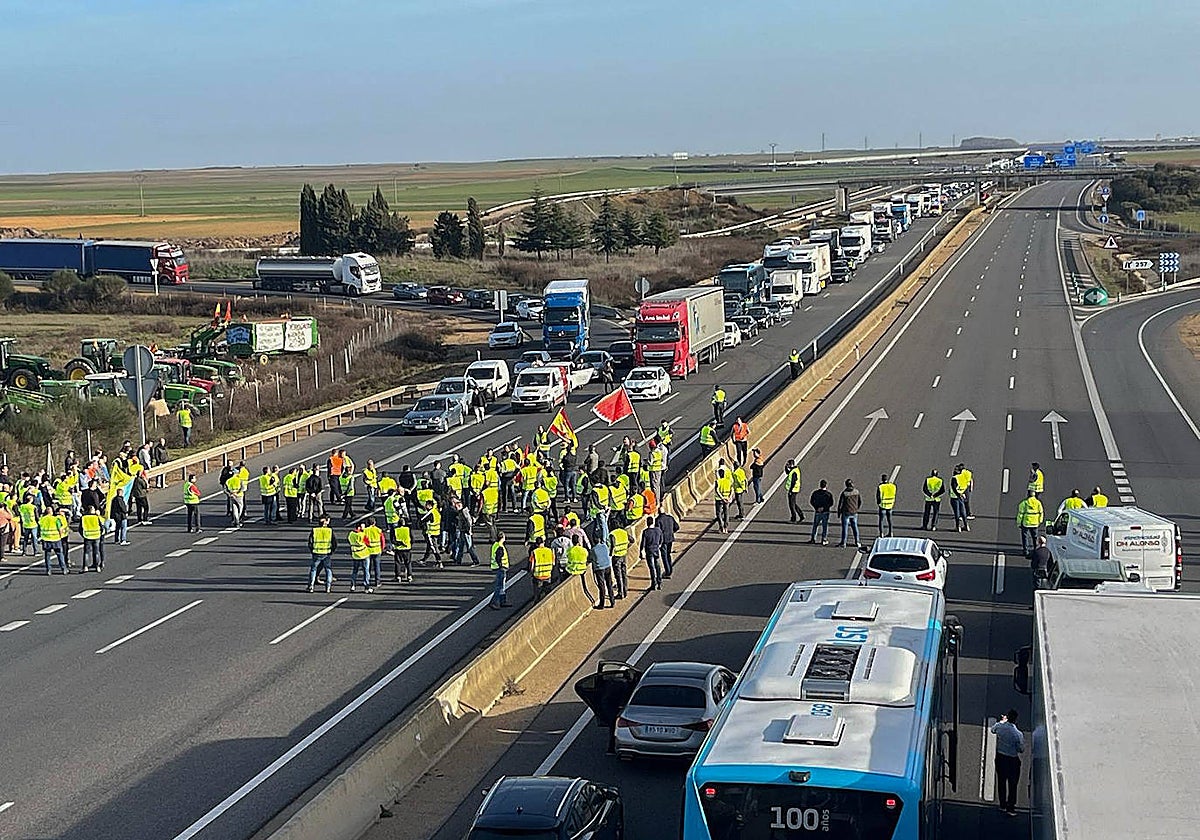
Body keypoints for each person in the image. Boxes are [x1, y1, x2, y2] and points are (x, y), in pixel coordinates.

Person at [991, 710, 1025, 815]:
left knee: (1001, 781)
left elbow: (993, 730)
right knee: (1012, 784)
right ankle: (1010, 807)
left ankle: (1002, 804)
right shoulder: (1017, 734)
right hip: (1012, 760)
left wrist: (1002, 722)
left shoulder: (1000, 727)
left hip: (1001, 758)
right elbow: (1021, 749)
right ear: (1015, 719)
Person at [307, 515, 337, 593]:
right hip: (326, 553)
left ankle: (311, 586)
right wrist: (331, 551)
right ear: (325, 522)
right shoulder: (329, 531)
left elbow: (310, 542)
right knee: (328, 569)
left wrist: (312, 550)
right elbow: (334, 543)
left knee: (313, 569)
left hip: (316, 552)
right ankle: (328, 587)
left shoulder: (315, 530)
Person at [1017, 489, 1044, 557]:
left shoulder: (1024, 503)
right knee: (1035, 537)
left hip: (1026, 523)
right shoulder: (1038, 503)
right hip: (1035, 523)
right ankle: (1035, 549)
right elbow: (1041, 512)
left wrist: (1019, 523)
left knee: (1025, 537)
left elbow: (1020, 514)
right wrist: (1040, 521)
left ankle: (1026, 551)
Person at [591, 535, 615, 609]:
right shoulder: (604, 546)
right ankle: (612, 601)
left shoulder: (593, 550)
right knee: (609, 584)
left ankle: (602, 604)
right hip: (607, 566)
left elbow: (590, 558)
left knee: (602, 587)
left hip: (599, 569)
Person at [640, 515, 664, 590]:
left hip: (649, 551)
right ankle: (659, 582)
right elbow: (661, 540)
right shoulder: (658, 530)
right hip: (656, 550)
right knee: (658, 566)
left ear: (647, 523)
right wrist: (658, 545)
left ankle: (653, 583)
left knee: (652, 568)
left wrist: (641, 551)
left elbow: (643, 543)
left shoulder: (646, 532)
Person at [837, 479, 862, 549]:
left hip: (846, 512)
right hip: (854, 512)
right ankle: (857, 541)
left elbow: (840, 504)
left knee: (845, 528)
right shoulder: (856, 492)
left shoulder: (845, 493)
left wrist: (839, 512)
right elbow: (860, 501)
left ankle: (843, 542)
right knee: (855, 527)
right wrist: (856, 508)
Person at [80, 506, 106, 571]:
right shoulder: (96, 517)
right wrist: (100, 534)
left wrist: (83, 535)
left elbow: (80, 528)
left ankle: (85, 567)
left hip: (87, 536)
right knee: (96, 552)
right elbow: (101, 527)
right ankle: (97, 567)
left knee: (86, 552)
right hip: (96, 536)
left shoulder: (84, 518)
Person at [529, 536, 555, 603]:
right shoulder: (549, 551)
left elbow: (532, 565)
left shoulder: (534, 552)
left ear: (536, 544)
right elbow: (553, 563)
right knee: (548, 594)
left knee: (537, 595)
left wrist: (531, 573)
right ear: (543, 542)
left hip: (538, 576)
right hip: (547, 575)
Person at [809, 480, 834, 545]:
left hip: (817, 511)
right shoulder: (828, 494)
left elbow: (812, 501)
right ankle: (824, 539)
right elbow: (831, 503)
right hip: (825, 512)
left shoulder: (815, 493)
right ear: (826, 485)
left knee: (815, 525)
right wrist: (824, 508)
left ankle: (813, 538)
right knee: (824, 526)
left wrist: (817, 508)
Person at [489, 533, 510, 609]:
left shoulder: (495, 545)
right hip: (501, 568)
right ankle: (493, 602)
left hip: (498, 568)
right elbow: (498, 558)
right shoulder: (500, 547)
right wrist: (501, 566)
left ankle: (502, 601)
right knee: (499, 586)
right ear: (502, 538)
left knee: (502, 586)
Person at [420, 500, 444, 568]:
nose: (425, 506)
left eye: (426, 505)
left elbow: (422, 520)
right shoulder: (436, 511)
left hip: (431, 533)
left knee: (433, 548)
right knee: (429, 547)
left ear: (429, 506)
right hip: (436, 532)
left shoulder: (430, 513)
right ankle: (424, 559)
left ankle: (439, 561)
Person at [608, 525, 630, 599]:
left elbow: (613, 545)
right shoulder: (624, 532)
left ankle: (621, 593)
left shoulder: (613, 534)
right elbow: (632, 540)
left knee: (618, 575)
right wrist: (627, 547)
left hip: (616, 557)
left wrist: (610, 554)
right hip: (624, 555)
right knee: (624, 574)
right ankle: (625, 590)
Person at [347, 523, 370, 592]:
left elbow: (350, 541)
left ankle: (353, 585)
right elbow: (368, 543)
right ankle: (366, 587)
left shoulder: (351, 534)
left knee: (355, 571)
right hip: (364, 554)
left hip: (355, 555)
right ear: (359, 527)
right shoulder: (362, 535)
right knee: (366, 571)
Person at [657, 508, 678, 578]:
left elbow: (658, 532)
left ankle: (668, 571)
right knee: (668, 554)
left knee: (664, 556)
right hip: (670, 538)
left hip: (663, 540)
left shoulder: (658, 520)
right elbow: (677, 527)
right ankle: (670, 569)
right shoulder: (670, 518)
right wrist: (671, 532)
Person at [713, 461, 733, 534]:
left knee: (719, 514)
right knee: (726, 513)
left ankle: (721, 527)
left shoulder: (718, 481)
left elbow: (717, 490)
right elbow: (732, 489)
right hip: (727, 499)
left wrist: (722, 498)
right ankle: (726, 527)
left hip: (719, 499)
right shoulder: (728, 481)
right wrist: (729, 497)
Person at [876, 473, 896, 538]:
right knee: (890, 520)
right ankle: (891, 532)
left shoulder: (880, 486)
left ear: (882, 479)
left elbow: (878, 497)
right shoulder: (892, 486)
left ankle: (881, 533)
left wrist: (878, 503)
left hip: (883, 505)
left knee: (881, 521)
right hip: (890, 505)